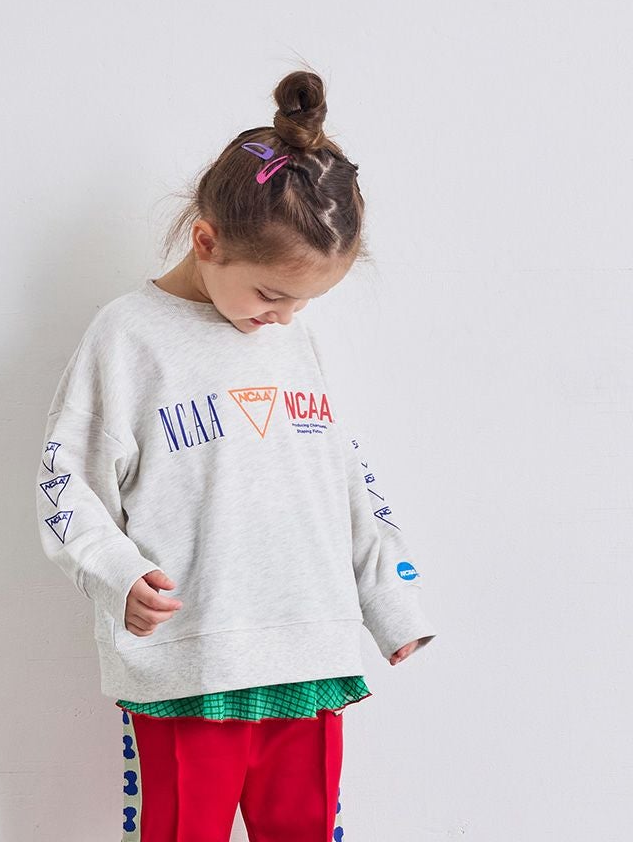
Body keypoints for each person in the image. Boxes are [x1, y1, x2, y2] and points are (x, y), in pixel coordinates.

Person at [35, 69, 438, 842]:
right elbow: (68, 484)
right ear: (206, 242)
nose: (284, 317)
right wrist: (119, 576)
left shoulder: (294, 342)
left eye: (304, 302)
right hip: (190, 665)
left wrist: (391, 600)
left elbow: (342, 479)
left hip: (310, 656)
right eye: (271, 295)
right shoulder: (127, 338)